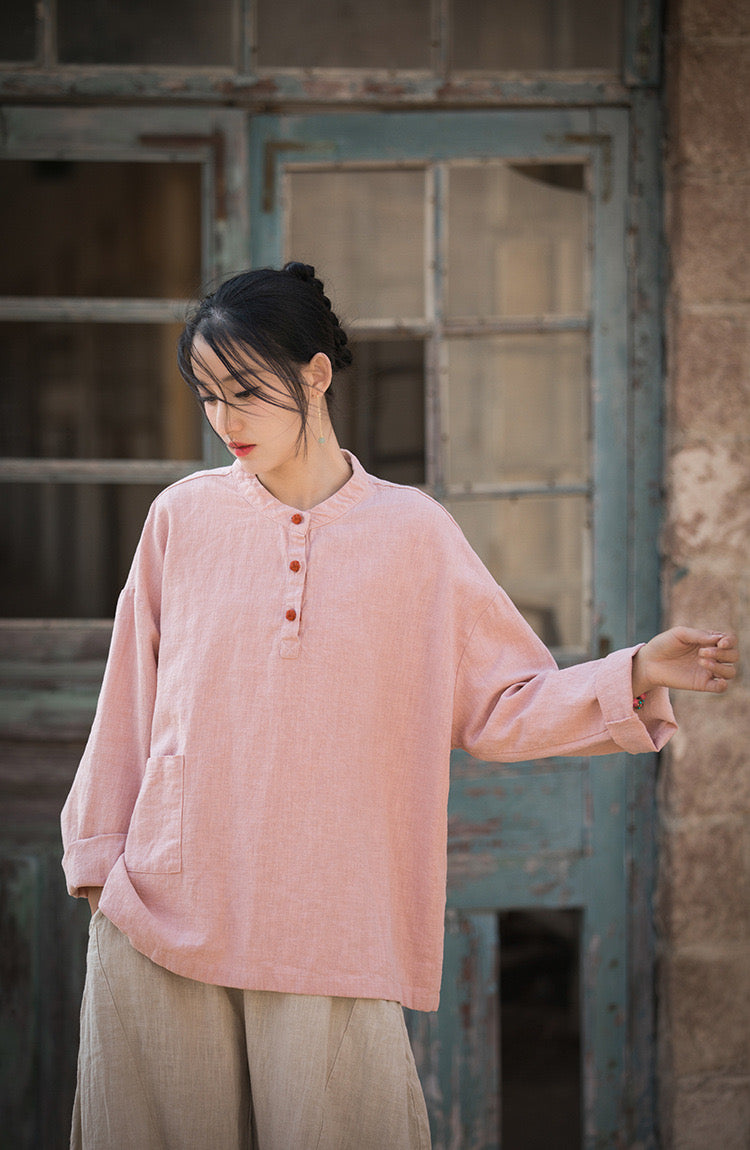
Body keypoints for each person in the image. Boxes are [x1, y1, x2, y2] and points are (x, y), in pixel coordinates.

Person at [61, 262, 739, 1150]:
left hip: (332, 919)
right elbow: (128, 700)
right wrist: (97, 864)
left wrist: (637, 670)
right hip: (161, 911)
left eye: (247, 391)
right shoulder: (180, 519)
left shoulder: (414, 534)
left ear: (316, 374)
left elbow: (503, 701)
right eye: (209, 396)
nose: (226, 420)